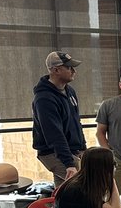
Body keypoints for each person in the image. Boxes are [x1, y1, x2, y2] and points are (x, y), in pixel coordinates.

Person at [32, 50, 85, 186]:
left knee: (64, 190)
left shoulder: (70, 91)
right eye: (69, 67)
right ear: (56, 70)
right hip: (53, 152)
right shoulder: (44, 99)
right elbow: (54, 134)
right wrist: (68, 163)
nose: (73, 71)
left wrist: (83, 149)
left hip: (72, 149)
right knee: (84, 183)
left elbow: (76, 123)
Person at [52, 147, 121, 208]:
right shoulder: (80, 190)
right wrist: (112, 180)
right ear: (102, 167)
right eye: (113, 164)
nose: (115, 167)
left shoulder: (83, 181)